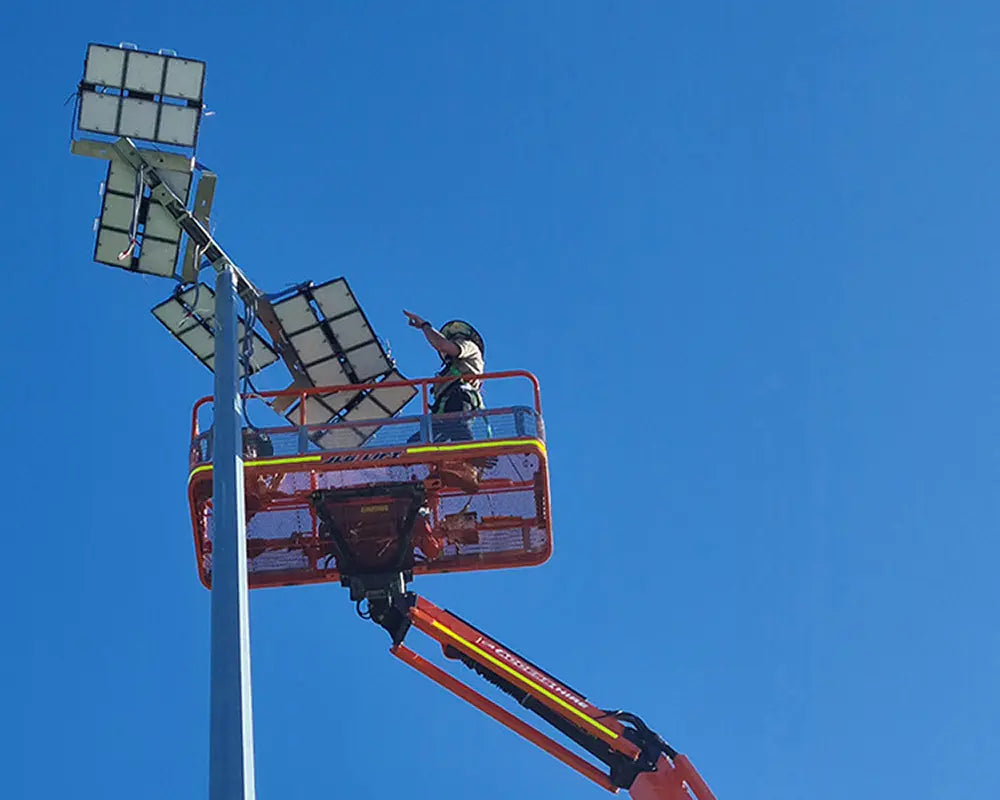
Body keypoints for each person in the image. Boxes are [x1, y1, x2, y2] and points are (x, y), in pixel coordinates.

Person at [403, 311, 485, 443]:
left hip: (459, 398)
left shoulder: (469, 346)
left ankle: (473, 457)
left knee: (458, 429)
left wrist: (424, 325)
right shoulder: (449, 372)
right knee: (416, 443)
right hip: (444, 410)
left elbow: (441, 345)